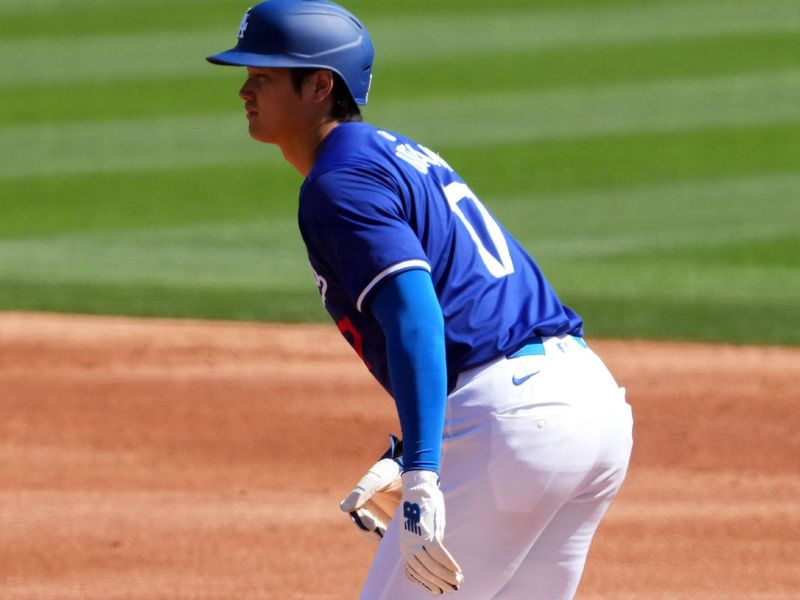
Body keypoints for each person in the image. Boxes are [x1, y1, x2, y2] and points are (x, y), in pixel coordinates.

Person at [207, 1, 634, 598]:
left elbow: (417, 315)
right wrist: (422, 439)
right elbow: (469, 301)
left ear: (319, 86)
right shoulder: (391, 154)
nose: (245, 89)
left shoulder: (339, 183)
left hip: (515, 423)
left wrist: (424, 474)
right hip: (590, 406)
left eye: (264, 76)